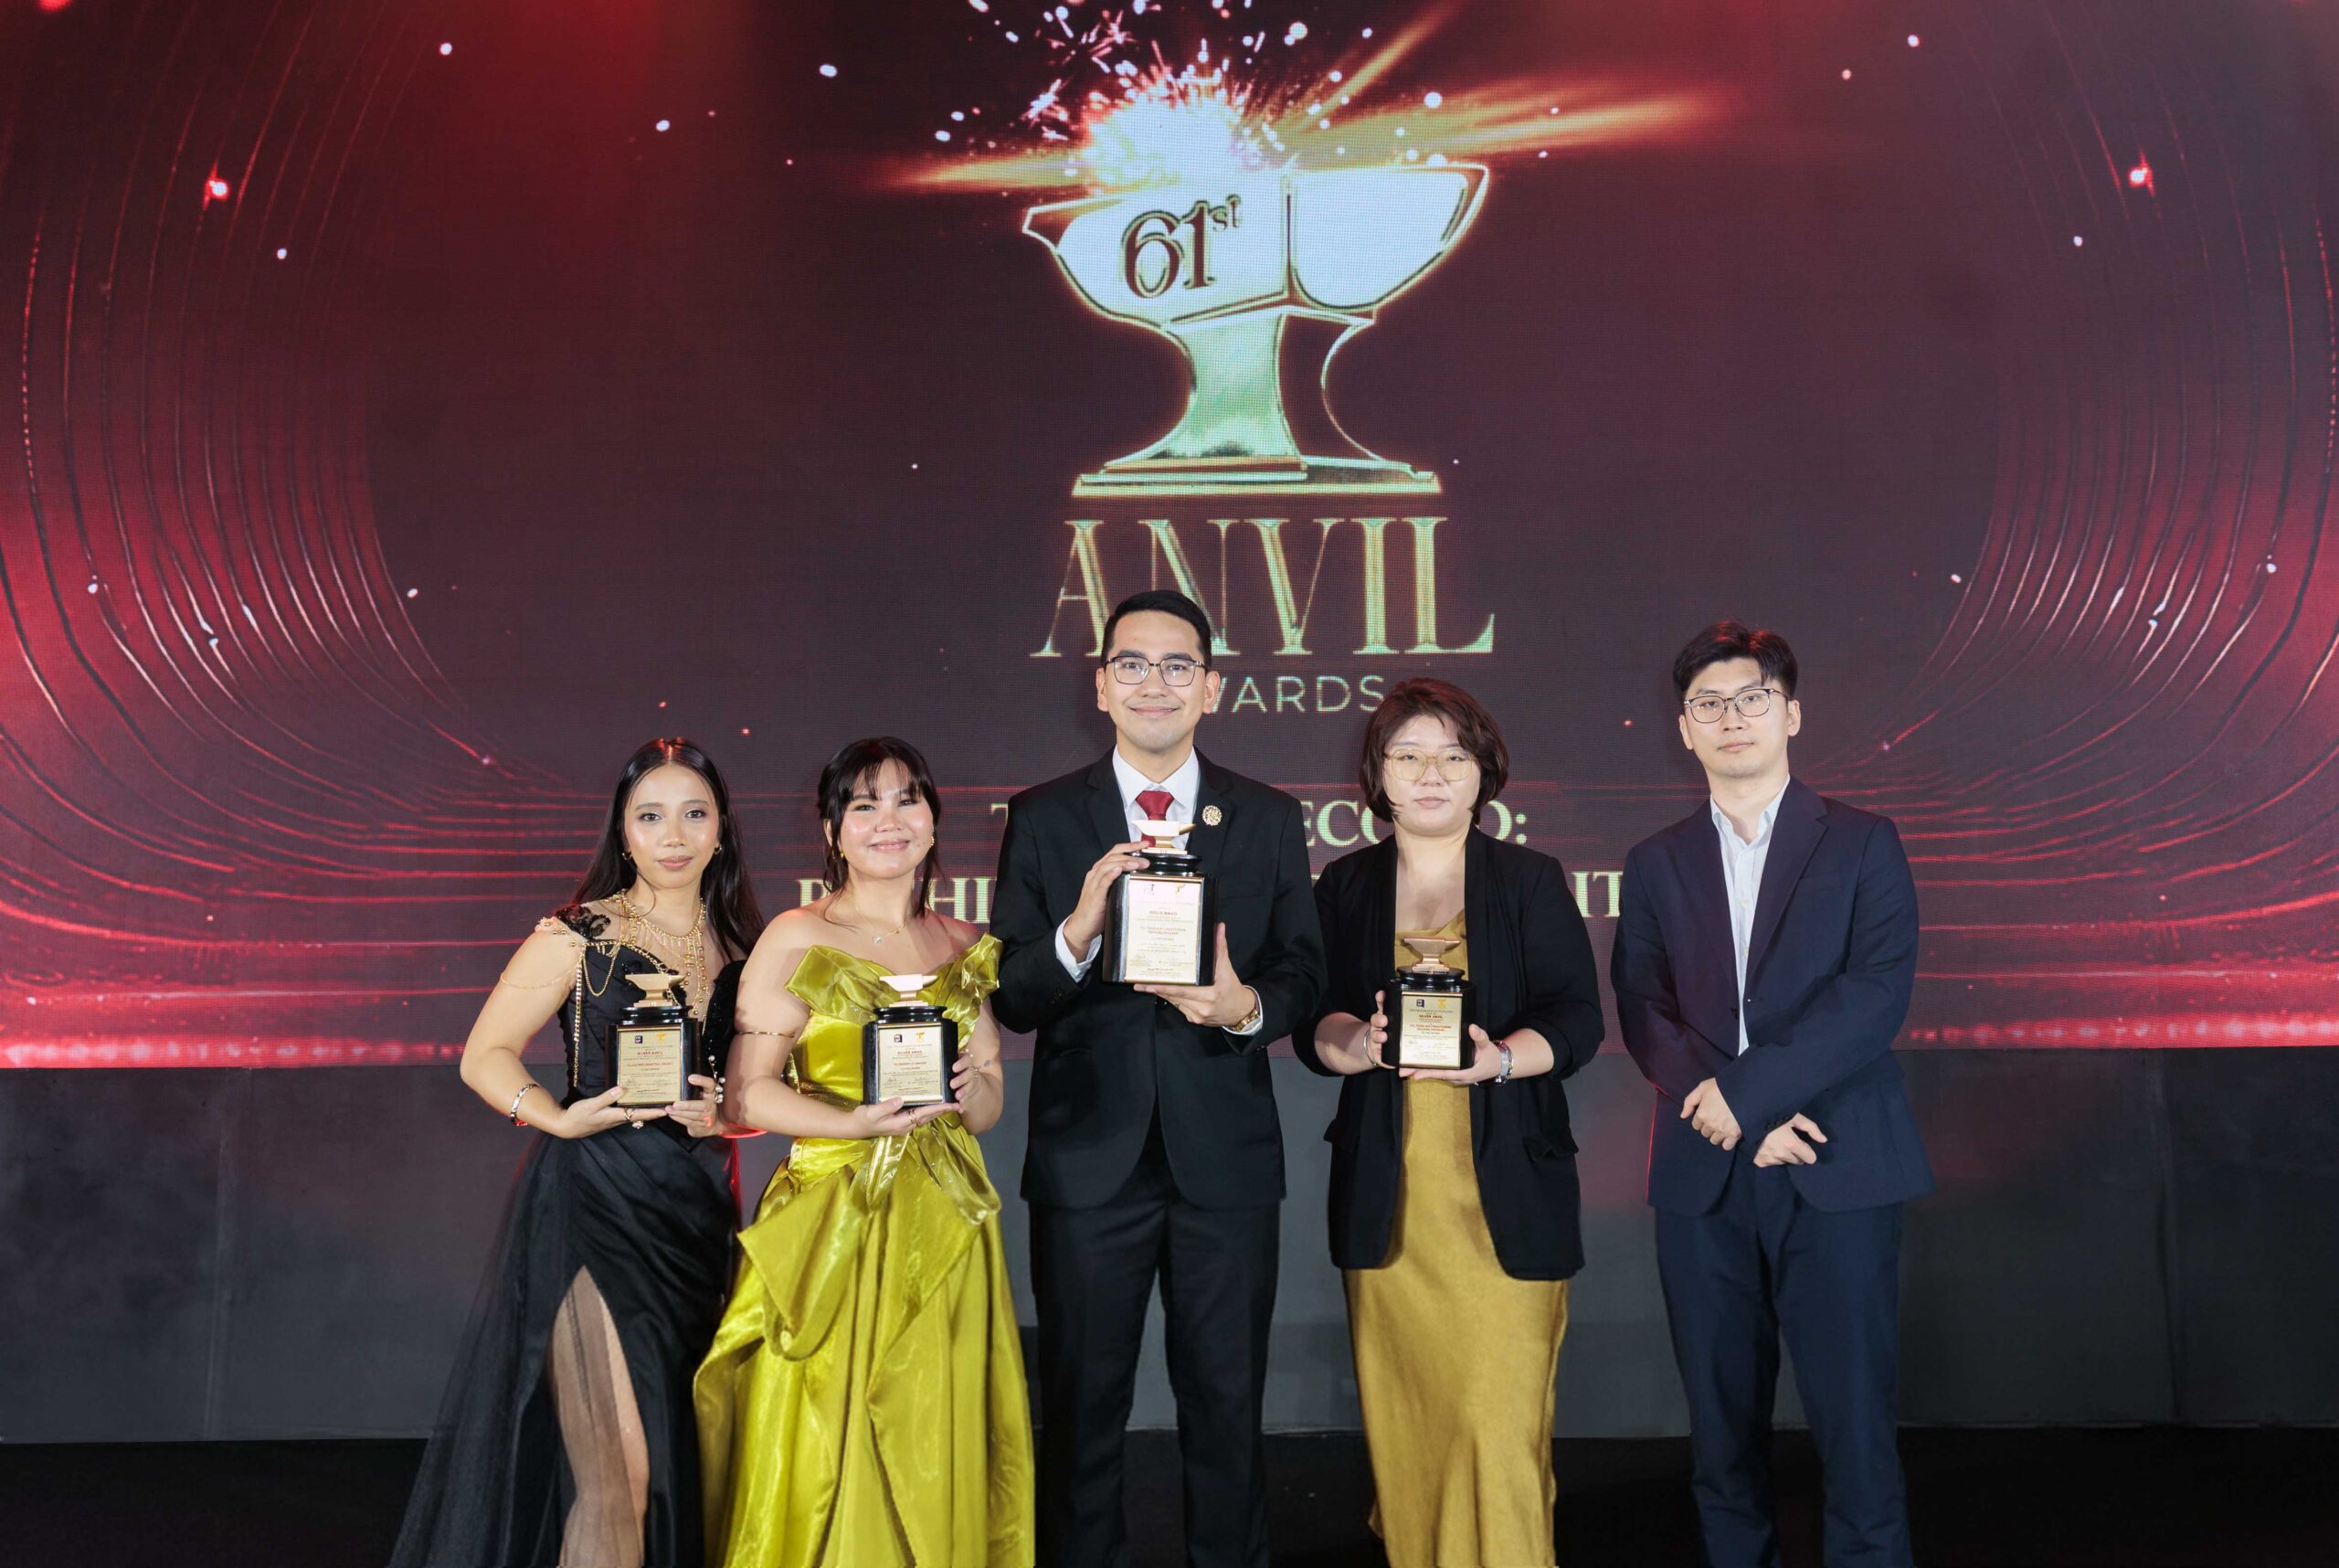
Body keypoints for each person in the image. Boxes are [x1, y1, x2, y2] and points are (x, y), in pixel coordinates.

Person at [990, 588, 1325, 1568]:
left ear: (1212, 688)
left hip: (1223, 1160)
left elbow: (1303, 972)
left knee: (1226, 1407)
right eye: (1131, 664)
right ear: (1100, 685)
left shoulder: (1267, 817)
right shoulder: (1044, 817)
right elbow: (1013, 993)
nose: (1155, 684)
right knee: (1082, 1408)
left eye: (1178, 666)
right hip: (1088, 1160)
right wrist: (1077, 932)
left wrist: (1243, 1008)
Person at [391, 736, 765, 1568]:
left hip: (697, 1225)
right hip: (594, 1208)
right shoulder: (579, 935)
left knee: (675, 1474)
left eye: (694, 814)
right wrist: (555, 1120)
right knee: (616, 1477)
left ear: (721, 829)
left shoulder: (747, 950)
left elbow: (753, 1096)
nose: (674, 836)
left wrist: (726, 1119)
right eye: (650, 817)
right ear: (622, 832)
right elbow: (483, 1055)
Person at [1612, 622, 1932, 1568]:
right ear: (1684, 729)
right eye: (1707, 704)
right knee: (1720, 1434)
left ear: (1790, 714)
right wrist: (1738, 1121)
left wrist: (1746, 1099)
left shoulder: (1864, 842)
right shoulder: (1655, 860)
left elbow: (1873, 996)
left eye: (1751, 698)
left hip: (1838, 1162)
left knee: (1856, 1428)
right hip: (1705, 1171)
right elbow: (1643, 1008)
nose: (1731, 717)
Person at [693, 736, 1032, 1568]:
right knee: (827, 1425)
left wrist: (970, 1093)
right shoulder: (796, 935)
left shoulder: (962, 941)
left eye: (908, 799)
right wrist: (855, 1126)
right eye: (864, 804)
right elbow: (747, 1095)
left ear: (933, 820)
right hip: (833, 1219)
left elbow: (990, 1097)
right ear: (833, 831)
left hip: (946, 1222)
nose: (890, 820)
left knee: (932, 1422)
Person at [1297, 678, 1604, 1568]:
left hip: (1503, 1202)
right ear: (1378, 774)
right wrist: (1357, 1044)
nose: (1430, 775)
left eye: (1452, 756)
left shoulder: (1530, 880)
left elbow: (1576, 1019)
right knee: (1411, 1432)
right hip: (1392, 1206)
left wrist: (1498, 1059)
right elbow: (1314, 1021)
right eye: (1408, 755)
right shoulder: (1344, 885)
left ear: (1482, 773)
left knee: (1495, 1429)